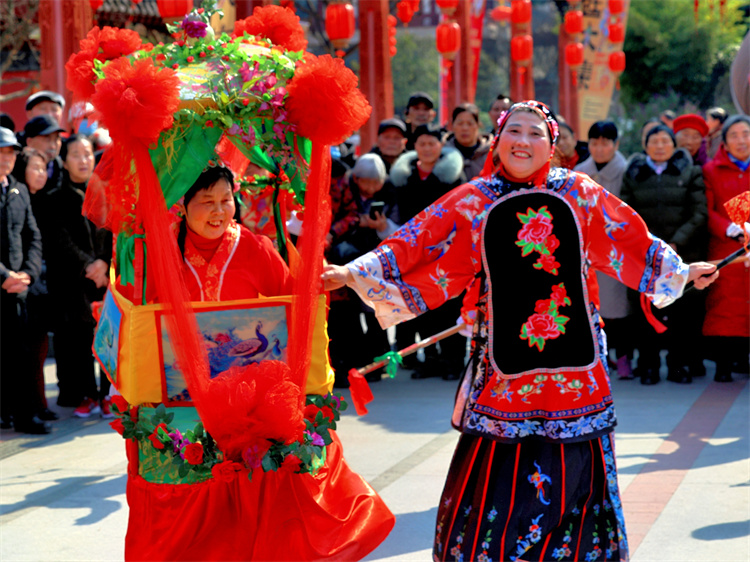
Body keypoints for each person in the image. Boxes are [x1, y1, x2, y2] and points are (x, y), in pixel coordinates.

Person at [322, 100, 718, 562]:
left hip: (577, 363)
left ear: (552, 145)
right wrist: (353, 273)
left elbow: (627, 239)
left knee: (576, 463)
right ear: (498, 140)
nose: (524, 142)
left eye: (535, 133)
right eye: (515, 131)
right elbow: (417, 242)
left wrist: (682, 271)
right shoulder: (474, 199)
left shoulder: (580, 193)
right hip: (504, 364)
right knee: (498, 463)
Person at [124, 165, 394, 561]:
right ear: (183, 205)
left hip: (253, 401)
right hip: (184, 400)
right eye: (206, 202)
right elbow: (139, 328)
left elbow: (291, 314)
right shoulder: (157, 254)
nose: (219, 211)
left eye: (226, 201)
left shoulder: (256, 249)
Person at [621, 124, 708, 385]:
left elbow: (699, 213)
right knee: (645, 311)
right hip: (644, 257)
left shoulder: (690, 171)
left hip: (681, 254)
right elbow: (625, 213)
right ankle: (648, 366)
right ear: (645, 145)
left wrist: (676, 244)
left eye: (664, 141)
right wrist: (646, 246)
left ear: (673, 144)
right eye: (654, 141)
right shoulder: (634, 173)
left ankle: (678, 366)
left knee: (681, 313)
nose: (659, 146)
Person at [390, 123, 467, 378]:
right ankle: (430, 359)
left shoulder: (453, 176)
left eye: (431, 143)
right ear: (414, 147)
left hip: (447, 251)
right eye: (421, 143)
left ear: (440, 146)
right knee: (423, 307)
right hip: (416, 252)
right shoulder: (404, 177)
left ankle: (453, 361)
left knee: (449, 306)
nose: (426, 148)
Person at [42, 135, 112, 412]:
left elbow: (113, 232)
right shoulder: (54, 197)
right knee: (78, 340)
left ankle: (107, 394)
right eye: (75, 155)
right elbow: (60, 240)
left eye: (87, 154)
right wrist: (88, 266)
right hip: (73, 279)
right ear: (64, 160)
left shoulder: (106, 191)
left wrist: (104, 263)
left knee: (108, 337)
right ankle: (85, 394)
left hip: (106, 277)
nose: (83, 160)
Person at [327, 154, 398, 387]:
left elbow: (399, 231)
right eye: (364, 182)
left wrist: (380, 225)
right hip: (342, 262)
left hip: (372, 265)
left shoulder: (391, 193)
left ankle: (375, 365)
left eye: (374, 183)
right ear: (355, 178)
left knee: (374, 315)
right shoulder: (344, 186)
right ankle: (352, 366)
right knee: (346, 318)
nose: (369, 188)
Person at [574, 121, 633, 379]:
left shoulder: (627, 170)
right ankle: (599, 359)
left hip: (617, 248)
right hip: (586, 249)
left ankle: (623, 357)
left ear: (616, 144)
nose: (600, 149)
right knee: (590, 306)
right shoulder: (578, 172)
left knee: (618, 308)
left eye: (606, 143)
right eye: (595, 143)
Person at [0, 127, 48, 434]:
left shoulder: (18, 189)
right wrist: (4, 276)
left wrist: (28, 272)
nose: (6, 158)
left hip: (19, 289)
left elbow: (33, 235)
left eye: (10, 152)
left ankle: (24, 414)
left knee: (22, 356)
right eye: (2, 152)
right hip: (4, 282)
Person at [10, 147, 59, 422]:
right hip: (23, 284)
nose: (42, 173)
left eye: (44, 168)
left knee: (39, 350)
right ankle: (27, 407)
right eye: (35, 168)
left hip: (40, 284)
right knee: (26, 351)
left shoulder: (44, 199)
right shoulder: (17, 197)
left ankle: (39, 403)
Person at [702, 115, 750, 382]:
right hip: (726, 248)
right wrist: (728, 228)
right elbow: (706, 210)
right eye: (735, 135)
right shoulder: (711, 170)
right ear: (725, 142)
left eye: (746, 133)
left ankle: (744, 360)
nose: (741, 140)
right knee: (724, 306)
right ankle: (723, 365)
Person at [444, 102, 493, 181]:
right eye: (460, 123)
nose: (465, 128)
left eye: (470, 124)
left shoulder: (491, 153)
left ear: (477, 125)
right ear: (452, 125)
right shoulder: (443, 153)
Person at [23, 114, 65, 193]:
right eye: (47, 139)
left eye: (57, 139)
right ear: (29, 142)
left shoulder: (62, 168)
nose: (53, 146)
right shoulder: (15, 169)